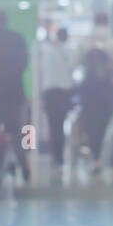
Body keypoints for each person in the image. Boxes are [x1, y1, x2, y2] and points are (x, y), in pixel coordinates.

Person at [0, 9, 31, 182]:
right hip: (15, 93)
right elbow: (24, 62)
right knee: (18, 131)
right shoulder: (18, 39)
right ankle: (23, 165)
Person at [40, 27, 77, 168]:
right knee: (60, 124)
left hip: (49, 92)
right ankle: (59, 155)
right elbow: (73, 66)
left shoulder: (47, 51)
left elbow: (43, 71)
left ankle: (54, 154)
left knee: (52, 124)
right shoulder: (69, 51)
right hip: (64, 92)